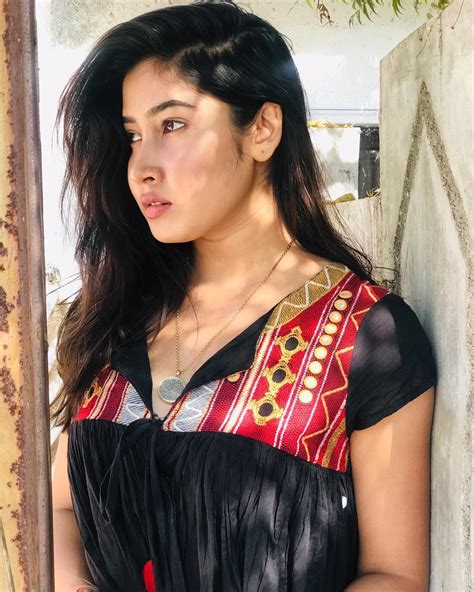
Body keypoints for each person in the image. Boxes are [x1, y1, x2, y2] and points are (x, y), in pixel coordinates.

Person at [49, 2, 438, 591]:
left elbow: (395, 575)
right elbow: (60, 508)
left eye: (172, 125)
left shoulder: (364, 337)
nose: (141, 167)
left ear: (262, 130)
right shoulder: (111, 314)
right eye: (132, 136)